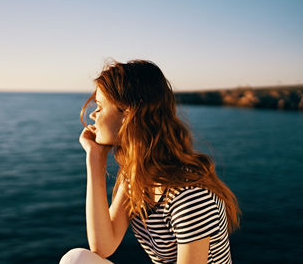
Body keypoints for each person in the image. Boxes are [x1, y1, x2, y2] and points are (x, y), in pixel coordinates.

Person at [60, 59, 241, 264]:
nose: (93, 114)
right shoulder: (136, 177)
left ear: (127, 114)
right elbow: (103, 246)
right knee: (77, 259)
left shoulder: (189, 196)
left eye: (100, 107)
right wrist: (94, 159)